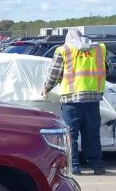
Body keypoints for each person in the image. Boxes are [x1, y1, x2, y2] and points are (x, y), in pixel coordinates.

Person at [42, 28, 110, 175]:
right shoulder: (99, 48)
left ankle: (75, 167)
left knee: (70, 135)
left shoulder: (64, 50)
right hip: (93, 99)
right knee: (92, 134)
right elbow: (108, 68)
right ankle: (97, 165)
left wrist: (46, 88)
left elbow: (55, 73)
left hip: (71, 100)